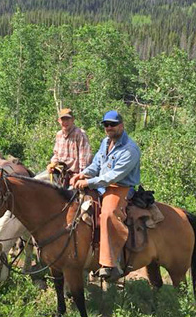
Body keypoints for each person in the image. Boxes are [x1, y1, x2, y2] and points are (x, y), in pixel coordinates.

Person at [69, 110, 141, 282]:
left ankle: (110, 263)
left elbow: (113, 176)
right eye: (106, 125)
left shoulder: (130, 149)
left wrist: (89, 182)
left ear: (121, 126)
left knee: (108, 214)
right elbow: (96, 164)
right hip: (101, 186)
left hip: (119, 188)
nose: (109, 128)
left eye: (113, 124)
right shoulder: (105, 142)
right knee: (70, 199)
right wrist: (83, 174)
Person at [46, 108, 92, 176]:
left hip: (74, 174)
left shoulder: (80, 134)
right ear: (59, 121)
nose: (65, 122)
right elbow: (56, 154)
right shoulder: (59, 134)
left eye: (67, 119)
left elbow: (84, 158)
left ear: (73, 120)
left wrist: (80, 175)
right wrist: (52, 164)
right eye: (63, 120)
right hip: (60, 172)